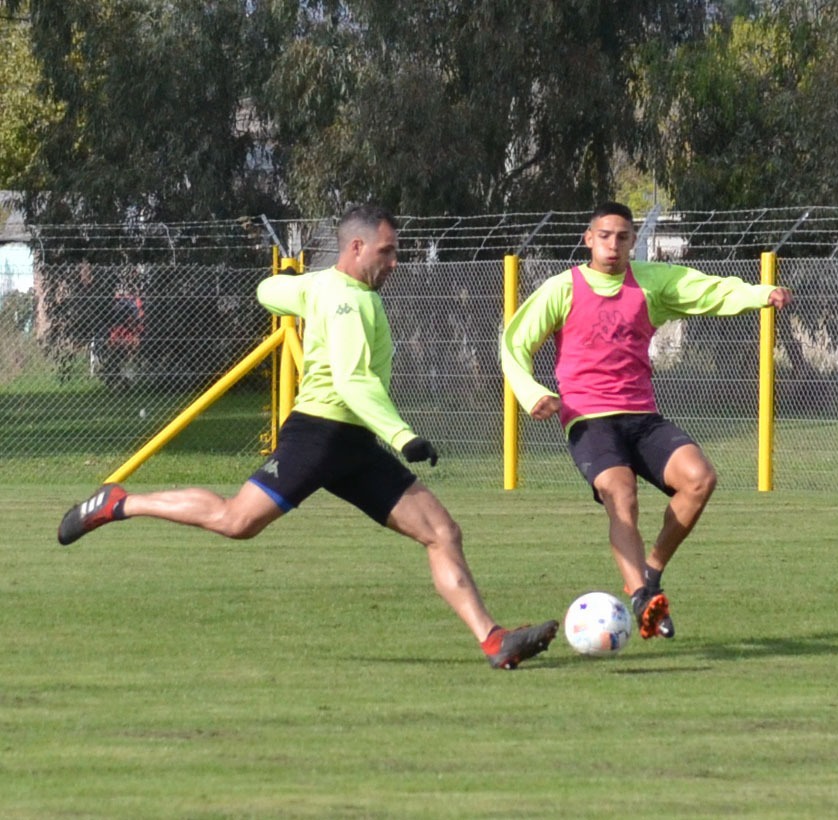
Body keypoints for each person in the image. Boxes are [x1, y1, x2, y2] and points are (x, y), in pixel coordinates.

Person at [58, 203, 558, 670]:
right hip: (318, 436)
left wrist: (305, 285)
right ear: (356, 249)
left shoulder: (323, 287)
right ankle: (121, 503)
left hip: (354, 444)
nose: (395, 263)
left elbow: (267, 292)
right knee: (237, 521)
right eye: (387, 252)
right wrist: (404, 437)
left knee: (442, 532)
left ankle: (493, 640)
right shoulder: (349, 303)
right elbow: (352, 380)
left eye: (397, 252)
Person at [500, 201, 792, 641]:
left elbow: (706, 290)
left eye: (622, 237)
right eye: (604, 236)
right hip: (588, 419)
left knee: (700, 479)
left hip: (641, 415)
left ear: (633, 241)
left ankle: (648, 578)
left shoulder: (650, 284)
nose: (612, 245)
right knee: (621, 493)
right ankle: (640, 595)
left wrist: (757, 294)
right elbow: (514, 344)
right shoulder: (562, 288)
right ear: (588, 239)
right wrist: (533, 393)